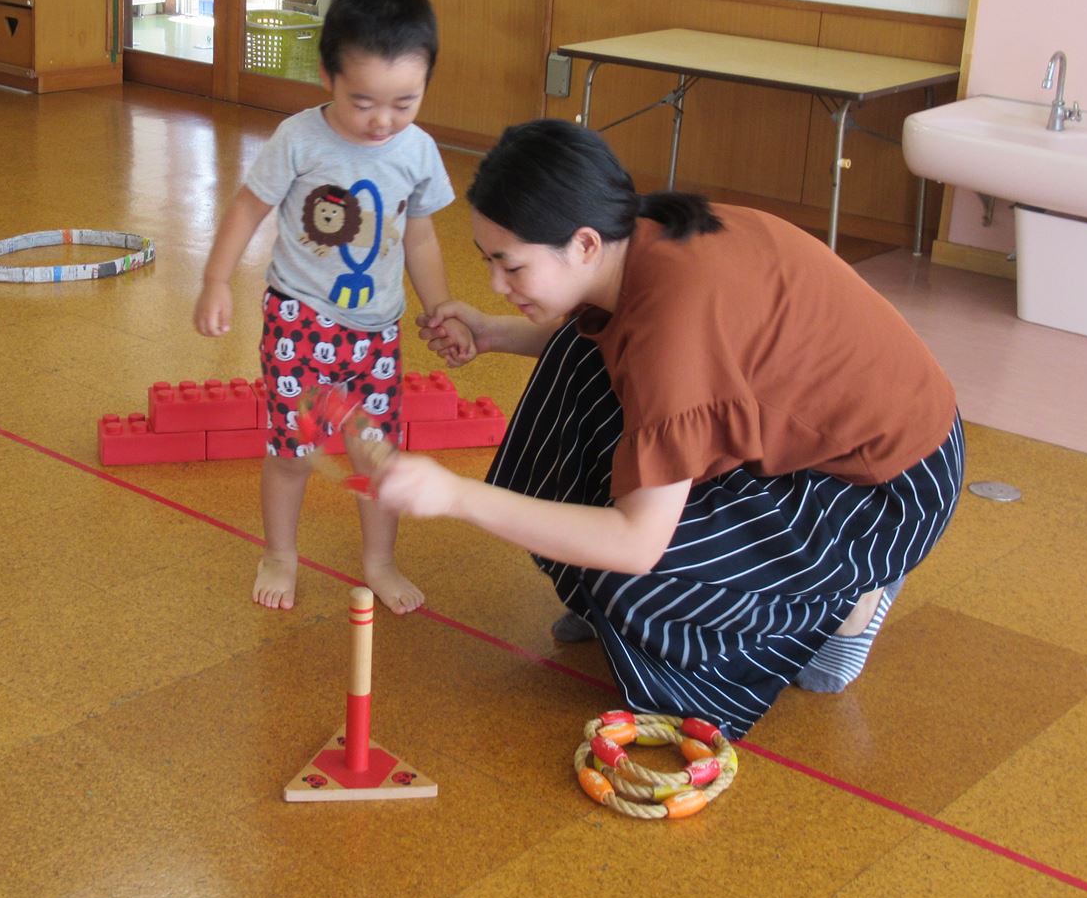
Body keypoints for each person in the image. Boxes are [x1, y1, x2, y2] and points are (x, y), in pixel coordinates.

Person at [372, 119, 963, 737]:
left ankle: (843, 605)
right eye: (487, 261)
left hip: (881, 492)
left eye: (511, 266)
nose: (495, 282)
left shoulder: (676, 325)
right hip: (818, 435)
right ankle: (613, 611)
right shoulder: (638, 235)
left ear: (584, 244)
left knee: (637, 574)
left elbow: (636, 541)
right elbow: (623, 340)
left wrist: (455, 495)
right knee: (577, 353)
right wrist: (495, 331)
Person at [194, 0, 475, 615]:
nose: (383, 121)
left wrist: (441, 311)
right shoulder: (300, 139)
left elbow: (422, 238)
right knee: (293, 449)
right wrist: (215, 282)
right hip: (300, 317)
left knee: (377, 456)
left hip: (376, 330)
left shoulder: (419, 151)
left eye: (404, 102)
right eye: (364, 101)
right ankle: (281, 553)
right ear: (327, 76)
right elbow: (247, 208)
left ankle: (379, 559)